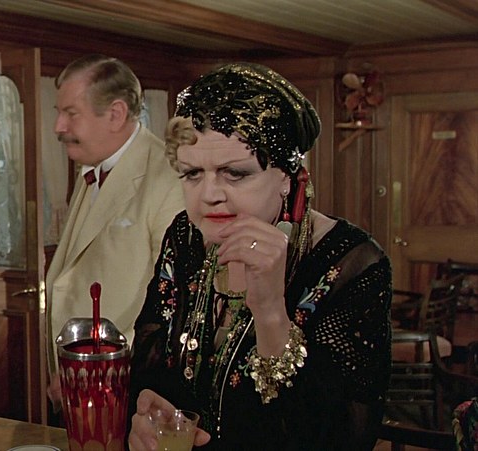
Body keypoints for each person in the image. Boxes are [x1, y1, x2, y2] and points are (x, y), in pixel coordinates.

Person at [127, 63, 392, 450]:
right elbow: (148, 364)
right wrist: (146, 412)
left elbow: (345, 436)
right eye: (192, 174)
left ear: (287, 176)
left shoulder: (353, 262)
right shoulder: (184, 235)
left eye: (235, 173)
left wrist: (270, 312)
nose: (209, 195)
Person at [45, 54, 184, 406]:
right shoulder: (94, 169)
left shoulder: (168, 178)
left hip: (127, 389)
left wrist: (97, 375)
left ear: (116, 114)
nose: (58, 126)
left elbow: (172, 300)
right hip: (80, 380)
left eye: (71, 113)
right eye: (59, 112)